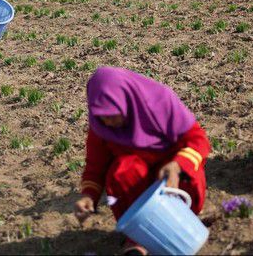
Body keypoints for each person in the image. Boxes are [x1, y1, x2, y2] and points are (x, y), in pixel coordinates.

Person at [74, 67, 210, 255]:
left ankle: (186, 220)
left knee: (189, 171)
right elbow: (95, 166)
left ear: (127, 100)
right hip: (139, 186)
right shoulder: (100, 125)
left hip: (171, 173)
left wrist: (178, 164)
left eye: (113, 114)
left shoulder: (160, 102)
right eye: (102, 117)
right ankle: (138, 237)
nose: (108, 122)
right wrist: (89, 195)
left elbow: (198, 140)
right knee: (122, 171)